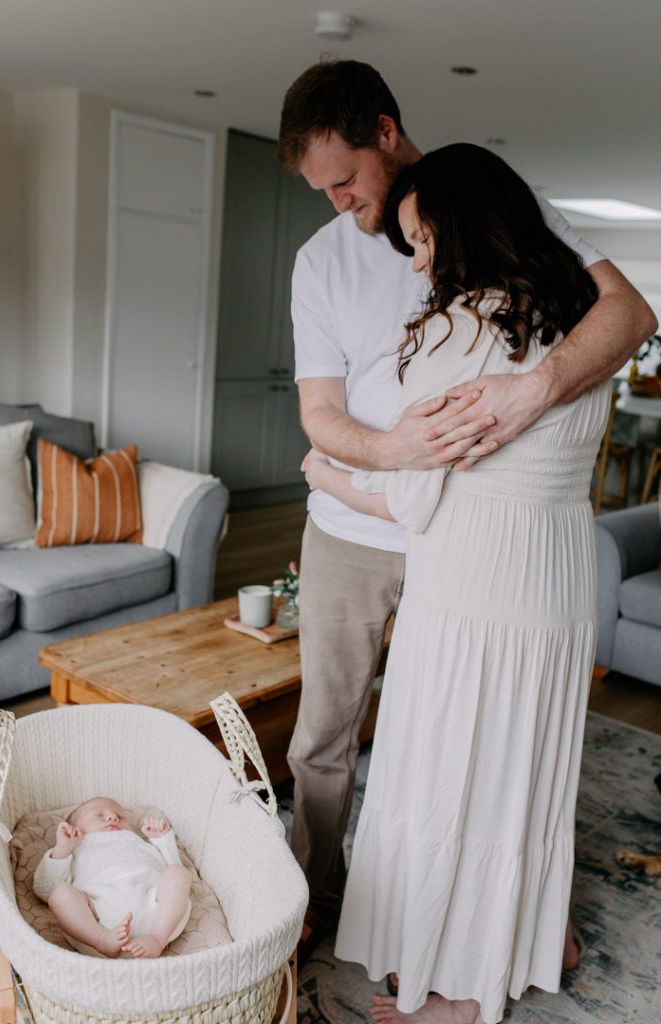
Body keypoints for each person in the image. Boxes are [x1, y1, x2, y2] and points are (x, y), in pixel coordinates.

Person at [277, 60, 657, 960]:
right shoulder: (320, 260)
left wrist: (535, 390)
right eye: (321, 190)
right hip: (356, 530)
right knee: (324, 734)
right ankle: (312, 896)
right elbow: (319, 411)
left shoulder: (497, 203)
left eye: (345, 179)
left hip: (471, 542)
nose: (338, 201)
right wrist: (393, 453)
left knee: (471, 737)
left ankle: (494, 916)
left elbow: (628, 313)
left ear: (385, 132)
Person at [303, 143, 610, 1024]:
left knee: (451, 775)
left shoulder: (456, 334)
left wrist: (327, 476)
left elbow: (410, 498)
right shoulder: (577, 322)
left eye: (426, 240)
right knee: (525, 772)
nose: (418, 264)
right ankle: (538, 934)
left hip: (471, 594)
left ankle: (456, 990)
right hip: (557, 586)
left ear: (466, 227)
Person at [33, 796, 192, 959]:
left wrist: (162, 840)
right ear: (74, 828)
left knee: (178, 873)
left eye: (120, 816)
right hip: (95, 918)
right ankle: (102, 940)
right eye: (99, 815)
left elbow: (174, 870)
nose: (113, 817)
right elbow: (46, 890)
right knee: (59, 894)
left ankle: (157, 939)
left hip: (158, 911)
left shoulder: (140, 842)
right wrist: (62, 849)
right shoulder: (75, 849)